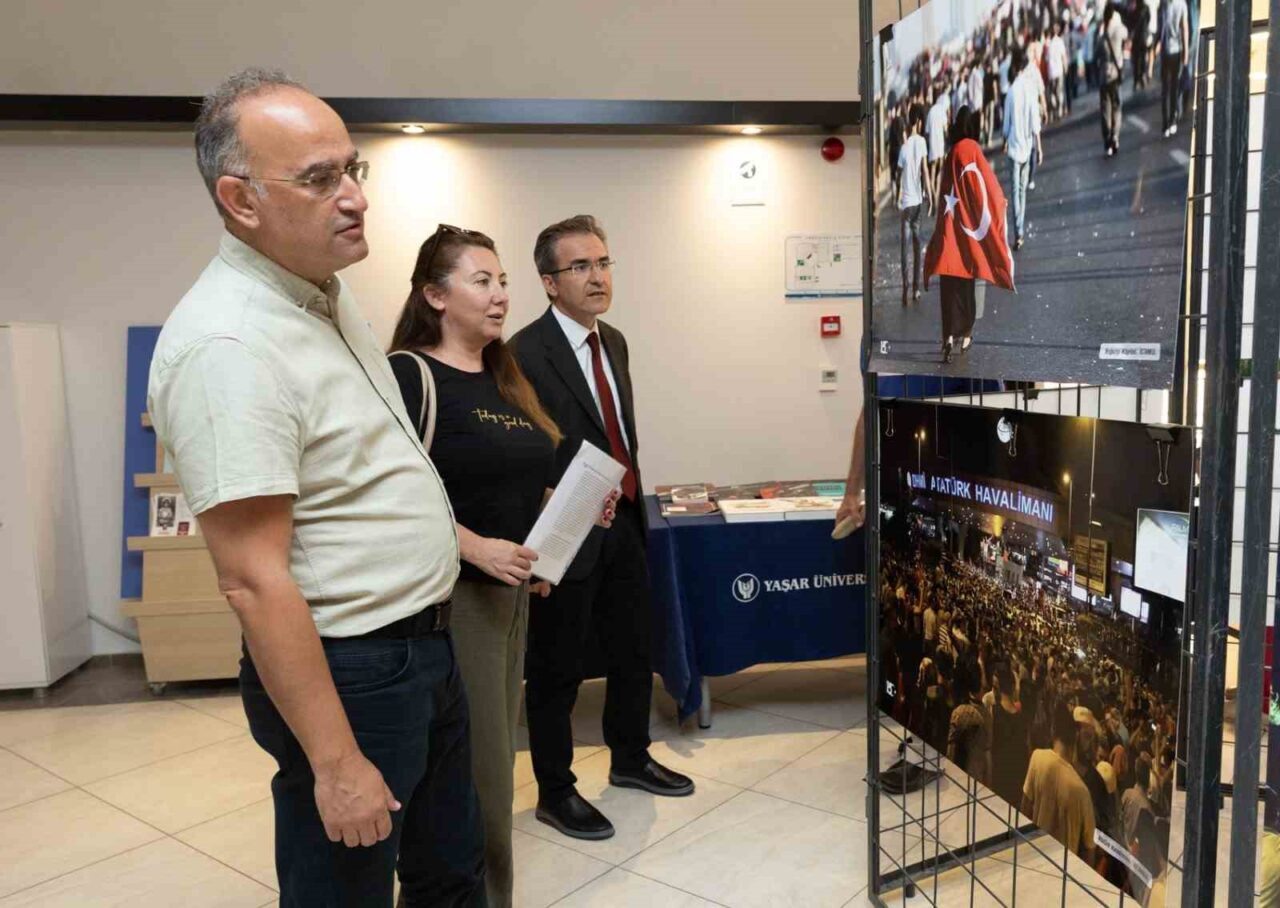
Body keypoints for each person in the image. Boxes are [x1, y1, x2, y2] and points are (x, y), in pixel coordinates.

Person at [147, 69, 484, 906]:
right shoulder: (229, 344)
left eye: (353, 169)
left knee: (448, 874)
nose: (354, 197)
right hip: (354, 669)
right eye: (319, 178)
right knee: (346, 888)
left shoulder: (322, 298)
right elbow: (252, 579)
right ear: (241, 199)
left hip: (420, 650)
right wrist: (336, 766)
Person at [386, 225, 618, 907]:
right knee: (480, 776)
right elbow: (389, 495)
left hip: (509, 599)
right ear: (435, 294)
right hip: (451, 603)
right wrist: (474, 545)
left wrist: (562, 524)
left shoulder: (500, 375)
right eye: (481, 281)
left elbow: (520, 484)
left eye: (503, 281)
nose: (499, 295)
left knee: (487, 771)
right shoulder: (411, 374)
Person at [510, 215, 695, 841]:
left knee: (632, 648)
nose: (597, 276)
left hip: (626, 521)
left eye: (604, 263)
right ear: (548, 282)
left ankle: (630, 758)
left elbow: (621, 433)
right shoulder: (521, 354)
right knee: (557, 666)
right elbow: (524, 452)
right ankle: (555, 792)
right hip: (566, 532)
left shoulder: (612, 341)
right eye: (580, 267)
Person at [925, 106, 1012, 361]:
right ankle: (965, 334)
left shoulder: (952, 152)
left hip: (950, 231)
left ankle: (948, 336)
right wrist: (1000, 203)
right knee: (967, 284)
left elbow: (944, 194)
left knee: (949, 286)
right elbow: (987, 185)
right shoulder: (972, 149)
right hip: (967, 233)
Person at [1022, 705, 1096, 863]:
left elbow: (1024, 810)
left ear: (1053, 731)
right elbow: (1090, 852)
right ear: (1075, 738)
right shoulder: (1083, 792)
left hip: (1034, 859)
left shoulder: (1037, 758)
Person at [1004, 45, 1043, 250]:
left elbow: (1005, 125)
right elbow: (1035, 121)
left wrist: (1004, 139)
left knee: (1014, 192)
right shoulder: (1029, 88)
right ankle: (1020, 229)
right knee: (1023, 191)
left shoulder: (1010, 91)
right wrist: (1039, 145)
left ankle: (1017, 232)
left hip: (1012, 148)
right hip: (1027, 147)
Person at [897, 106, 932, 306]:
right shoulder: (921, 142)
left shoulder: (904, 147)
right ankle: (916, 289)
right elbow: (925, 171)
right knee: (918, 246)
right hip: (918, 203)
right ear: (918, 120)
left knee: (905, 247)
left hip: (906, 204)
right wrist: (932, 196)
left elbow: (898, 173)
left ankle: (904, 287)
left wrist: (898, 196)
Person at [1099, 2, 1129, 156]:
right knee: (1117, 106)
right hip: (1116, 74)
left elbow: (1097, 51)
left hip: (1104, 74)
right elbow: (1127, 33)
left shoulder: (1102, 31)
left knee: (1106, 108)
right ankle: (1115, 136)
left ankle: (1107, 140)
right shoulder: (1118, 29)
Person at [1159, 0, 1189, 136]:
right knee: (1174, 88)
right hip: (1176, 50)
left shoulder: (1164, 3)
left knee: (1165, 88)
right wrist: (1186, 53)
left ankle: (1166, 124)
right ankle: (1172, 121)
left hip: (1165, 50)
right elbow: (1184, 28)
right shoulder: (1182, 4)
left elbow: (1162, 26)